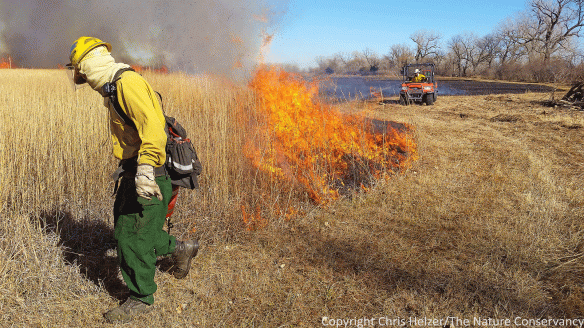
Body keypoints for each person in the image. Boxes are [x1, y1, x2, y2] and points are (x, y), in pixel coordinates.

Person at [66, 36, 199, 324]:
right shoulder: (114, 87)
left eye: (80, 70)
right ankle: (180, 249)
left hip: (149, 170)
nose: (81, 78)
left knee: (132, 236)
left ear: (89, 65)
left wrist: (146, 169)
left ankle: (141, 298)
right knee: (132, 229)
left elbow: (153, 128)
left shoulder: (127, 84)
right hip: (133, 168)